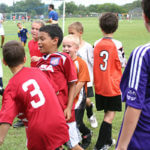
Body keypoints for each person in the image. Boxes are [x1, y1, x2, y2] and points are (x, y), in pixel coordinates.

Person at [0, 40, 69, 150]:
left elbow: (6, 119)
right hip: (58, 121)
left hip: (39, 130)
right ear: (25, 58)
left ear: (4, 62)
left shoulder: (11, 87)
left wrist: (1, 138)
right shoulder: (38, 72)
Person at [37, 25, 83, 150]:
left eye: (42, 39)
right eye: (38, 39)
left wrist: (68, 107)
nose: (39, 42)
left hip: (63, 111)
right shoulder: (40, 62)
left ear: (55, 40)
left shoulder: (63, 59)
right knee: (54, 144)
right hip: (48, 113)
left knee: (73, 145)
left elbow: (72, 84)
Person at [116, 0, 150, 149]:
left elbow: (134, 104)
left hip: (142, 136)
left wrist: (122, 146)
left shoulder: (143, 54)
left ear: (144, 17)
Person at [93, 12, 126, 150]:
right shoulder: (117, 44)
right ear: (116, 27)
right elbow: (123, 63)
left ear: (101, 27)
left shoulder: (96, 43)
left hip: (100, 85)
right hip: (112, 85)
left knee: (107, 112)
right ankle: (100, 145)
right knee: (109, 116)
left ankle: (108, 140)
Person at [63, 34, 92, 149]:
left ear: (76, 48)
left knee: (76, 122)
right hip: (66, 99)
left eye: (69, 46)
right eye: (64, 46)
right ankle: (76, 141)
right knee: (68, 122)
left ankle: (85, 135)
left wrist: (70, 98)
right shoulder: (63, 61)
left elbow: (80, 83)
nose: (65, 49)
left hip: (78, 99)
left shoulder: (80, 63)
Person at [68, 22, 98, 129]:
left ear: (80, 33)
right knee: (76, 100)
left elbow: (93, 63)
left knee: (86, 100)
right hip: (74, 80)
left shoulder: (87, 47)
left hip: (86, 80)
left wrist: (95, 78)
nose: (70, 35)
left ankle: (90, 114)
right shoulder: (69, 47)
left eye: (72, 33)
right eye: (69, 33)